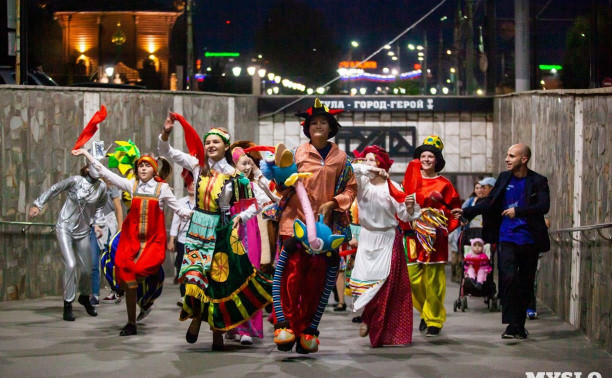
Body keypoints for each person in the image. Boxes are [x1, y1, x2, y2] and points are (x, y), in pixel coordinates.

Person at [158, 113, 272, 350]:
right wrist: (167, 132)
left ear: (226, 146)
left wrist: (241, 216)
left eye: (215, 142)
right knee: (195, 277)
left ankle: (216, 331)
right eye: (207, 141)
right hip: (198, 228)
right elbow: (166, 151)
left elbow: (258, 204)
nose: (210, 145)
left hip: (222, 232)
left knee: (219, 283)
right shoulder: (196, 165)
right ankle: (198, 318)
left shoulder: (235, 176)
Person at [74, 148, 193, 336]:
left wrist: (201, 213)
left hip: (153, 242)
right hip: (132, 241)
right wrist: (85, 154)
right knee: (127, 277)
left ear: (154, 169)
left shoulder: (163, 190)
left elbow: (181, 211)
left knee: (138, 272)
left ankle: (149, 291)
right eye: (140, 166)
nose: (143, 169)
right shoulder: (132, 185)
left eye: (147, 166)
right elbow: (105, 172)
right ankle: (131, 323)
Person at [273, 98, 357, 354]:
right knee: (291, 277)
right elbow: (280, 186)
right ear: (307, 128)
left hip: (324, 231)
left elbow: (350, 190)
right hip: (293, 224)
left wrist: (333, 203)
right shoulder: (297, 153)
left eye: (323, 122)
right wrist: (280, 178)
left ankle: (307, 330)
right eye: (314, 123)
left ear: (331, 128)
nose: (318, 126)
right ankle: (285, 326)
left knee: (315, 283)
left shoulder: (342, 158)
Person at [453, 143, 550, 339]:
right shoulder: (504, 178)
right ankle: (510, 325)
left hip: (529, 239)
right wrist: (467, 212)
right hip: (506, 237)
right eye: (507, 155)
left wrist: (518, 211)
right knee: (508, 278)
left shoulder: (538, 181)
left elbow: (543, 206)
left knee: (525, 282)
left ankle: (518, 325)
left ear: (524, 159)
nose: (507, 159)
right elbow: (490, 202)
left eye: (511, 156)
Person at [388, 135, 461, 337]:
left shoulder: (445, 184)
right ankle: (425, 312)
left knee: (435, 280)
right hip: (412, 235)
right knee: (413, 280)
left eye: (430, 156)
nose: (426, 159)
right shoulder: (410, 181)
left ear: (437, 160)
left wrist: (442, 227)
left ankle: (434, 321)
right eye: (423, 156)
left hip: (435, 238)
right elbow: (400, 206)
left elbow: (454, 210)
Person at [348, 146, 419, 347]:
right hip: (367, 237)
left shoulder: (393, 187)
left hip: (388, 238)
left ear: (382, 164)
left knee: (384, 286)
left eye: (372, 160)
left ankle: (379, 327)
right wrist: (368, 168)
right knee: (364, 284)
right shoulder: (362, 184)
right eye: (366, 160)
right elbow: (350, 168)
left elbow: (405, 215)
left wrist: (411, 207)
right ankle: (368, 317)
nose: (367, 164)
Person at [29, 164, 107, 321]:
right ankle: (68, 304)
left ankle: (85, 297)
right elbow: (55, 189)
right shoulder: (75, 181)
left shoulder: (102, 187)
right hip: (65, 227)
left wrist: (97, 223)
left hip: (83, 231)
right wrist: (38, 204)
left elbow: (100, 206)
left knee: (87, 270)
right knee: (71, 265)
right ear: (87, 168)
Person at [92, 180, 123, 305]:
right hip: (93, 223)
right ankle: (94, 293)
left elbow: (118, 208)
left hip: (109, 223)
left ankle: (115, 289)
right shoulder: (89, 186)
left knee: (108, 258)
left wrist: (120, 229)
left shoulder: (111, 186)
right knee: (94, 260)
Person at [167, 170, 196, 306]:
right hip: (182, 241)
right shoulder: (180, 202)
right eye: (189, 183)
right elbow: (175, 222)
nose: (191, 186)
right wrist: (171, 240)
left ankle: (194, 297)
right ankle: (184, 296)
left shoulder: (202, 203)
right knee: (181, 269)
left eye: (193, 183)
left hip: (197, 242)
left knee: (195, 270)